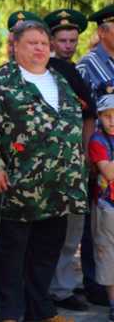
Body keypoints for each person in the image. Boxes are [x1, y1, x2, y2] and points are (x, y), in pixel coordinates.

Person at [0, 19, 87, 322]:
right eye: (32, 43)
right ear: (16, 46)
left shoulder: (59, 79)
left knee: (47, 251)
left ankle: (41, 309)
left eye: (43, 43)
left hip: (58, 189)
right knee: (10, 255)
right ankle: (10, 312)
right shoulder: (1, 82)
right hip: (16, 188)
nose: (39, 48)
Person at [44, 8, 96, 312]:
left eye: (73, 40)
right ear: (50, 40)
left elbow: (88, 115)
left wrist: (86, 153)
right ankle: (48, 287)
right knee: (51, 230)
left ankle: (61, 288)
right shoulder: (40, 71)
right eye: (62, 40)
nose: (68, 45)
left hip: (73, 164)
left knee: (70, 230)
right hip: (46, 167)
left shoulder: (73, 71)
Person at [78, 3, 114, 306]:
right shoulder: (87, 65)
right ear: (103, 31)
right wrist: (90, 157)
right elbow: (83, 114)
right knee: (99, 224)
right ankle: (96, 284)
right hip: (100, 155)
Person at [88, 87, 114, 322]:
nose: (112, 120)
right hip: (108, 209)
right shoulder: (98, 140)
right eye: (107, 115)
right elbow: (109, 171)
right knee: (108, 255)